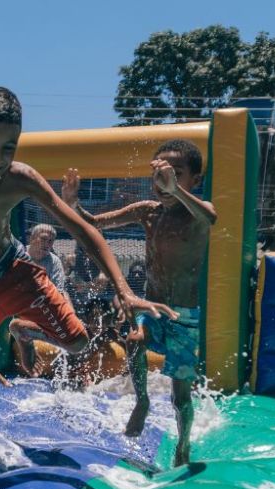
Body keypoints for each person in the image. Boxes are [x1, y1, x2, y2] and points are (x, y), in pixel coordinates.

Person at [0, 86, 176, 434]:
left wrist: (123, 289)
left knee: (78, 342)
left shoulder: (20, 178)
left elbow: (83, 230)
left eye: (8, 147)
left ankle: (23, 331)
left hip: (12, 269)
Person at [63, 139, 216, 466]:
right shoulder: (147, 212)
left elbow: (210, 217)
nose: (163, 182)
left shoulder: (198, 215)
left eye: (174, 174)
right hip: (152, 307)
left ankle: (183, 445)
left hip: (185, 316)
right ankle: (143, 401)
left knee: (180, 396)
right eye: (159, 174)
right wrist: (73, 205)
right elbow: (95, 223)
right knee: (134, 339)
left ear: (195, 180)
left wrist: (176, 190)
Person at [25, 224, 66, 291]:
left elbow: (57, 291)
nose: (47, 244)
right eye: (43, 239)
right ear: (32, 238)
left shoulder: (54, 261)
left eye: (50, 241)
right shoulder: (19, 254)